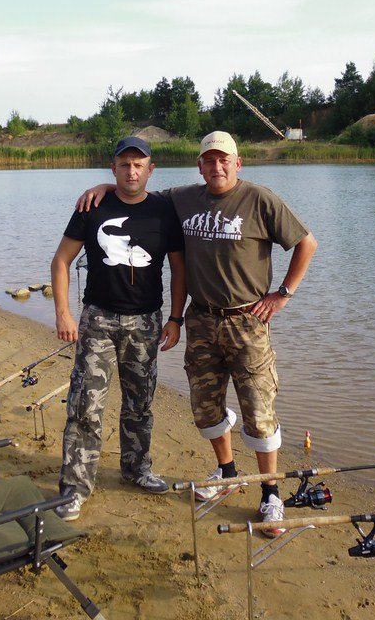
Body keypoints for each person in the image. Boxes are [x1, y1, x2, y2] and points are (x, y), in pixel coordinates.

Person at [79, 130, 317, 536]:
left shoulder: (259, 199)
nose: (216, 166)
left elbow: (306, 243)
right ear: (200, 166)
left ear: (238, 163)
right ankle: (227, 473)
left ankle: (270, 493)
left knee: (259, 412)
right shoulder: (184, 197)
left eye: (224, 160)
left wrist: (282, 294)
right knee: (206, 408)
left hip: (247, 321)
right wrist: (105, 186)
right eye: (209, 160)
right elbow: (137, 190)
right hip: (202, 320)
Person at [51, 136, 186, 521]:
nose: (131, 171)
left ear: (150, 170)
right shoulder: (92, 206)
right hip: (98, 320)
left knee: (140, 403)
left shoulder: (164, 210)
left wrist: (176, 318)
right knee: (85, 405)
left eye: (138, 165)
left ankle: (137, 468)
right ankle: (75, 487)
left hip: (147, 322)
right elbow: (61, 261)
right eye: (124, 164)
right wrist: (63, 314)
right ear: (113, 168)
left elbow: (179, 269)